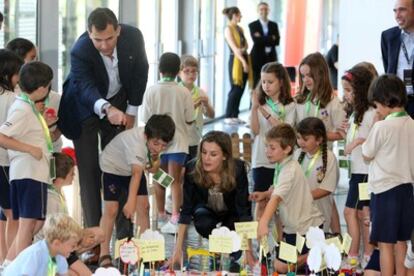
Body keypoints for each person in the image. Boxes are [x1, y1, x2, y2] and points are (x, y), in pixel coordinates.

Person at [58, 7, 149, 231]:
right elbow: (86, 88)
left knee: (119, 166)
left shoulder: (133, 37)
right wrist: (108, 109)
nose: (105, 45)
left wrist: (131, 111)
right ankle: (93, 236)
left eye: (109, 38)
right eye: (98, 40)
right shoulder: (80, 50)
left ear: (118, 30)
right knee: (89, 174)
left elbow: (141, 72)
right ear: (89, 34)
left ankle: (123, 237)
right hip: (84, 108)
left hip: (119, 100)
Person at [169, 131, 254, 271]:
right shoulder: (192, 168)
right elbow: (186, 211)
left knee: (235, 249)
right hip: (205, 211)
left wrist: (249, 251)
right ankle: (217, 246)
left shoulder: (238, 169)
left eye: (213, 154)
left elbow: (244, 211)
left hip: (231, 212)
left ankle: (226, 248)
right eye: (203, 152)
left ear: (225, 156)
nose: (206, 159)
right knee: (202, 221)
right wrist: (177, 250)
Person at [98, 114, 175, 267]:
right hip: (113, 168)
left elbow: (152, 169)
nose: (159, 148)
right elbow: (137, 174)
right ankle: (104, 254)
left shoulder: (154, 142)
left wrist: (155, 158)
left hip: (133, 169)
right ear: (146, 136)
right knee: (112, 210)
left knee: (144, 207)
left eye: (163, 146)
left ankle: (146, 252)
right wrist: (130, 201)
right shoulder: (136, 143)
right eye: (156, 144)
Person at [0, 62, 53, 261]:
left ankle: (9, 265)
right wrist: (30, 149)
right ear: (41, 89)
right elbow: (2, 136)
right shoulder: (22, 108)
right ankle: (17, 268)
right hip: (28, 173)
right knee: (27, 225)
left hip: (32, 174)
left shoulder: (28, 107)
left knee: (34, 223)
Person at [362, 74, 414, 276]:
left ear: (384, 101)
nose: (376, 110)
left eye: (376, 105)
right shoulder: (412, 123)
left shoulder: (381, 126)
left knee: (385, 244)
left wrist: (376, 122)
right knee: (402, 241)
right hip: (407, 191)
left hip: (384, 192)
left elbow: (367, 152)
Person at [256, 124, 324, 274]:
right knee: (280, 264)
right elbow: (277, 191)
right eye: (267, 146)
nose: (267, 152)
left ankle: (318, 251)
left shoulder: (289, 170)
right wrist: (265, 194)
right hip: (293, 229)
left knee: (280, 267)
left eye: (272, 148)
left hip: (306, 229)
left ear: (287, 149)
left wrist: (263, 222)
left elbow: (276, 198)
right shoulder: (283, 166)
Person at [142, 52, 194, 234]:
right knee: (176, 181)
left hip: (156, 142)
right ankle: (175, 218)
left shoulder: (151, 90)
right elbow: (190, 118)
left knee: (160, 178)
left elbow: (145, 119)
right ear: (179, 70)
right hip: (178, 142)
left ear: (159, 69)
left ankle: (161, 214)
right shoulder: (183, 91)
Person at [33, 151, 104, 275]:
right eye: (72, 174)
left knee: (99, 233)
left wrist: (81, 237)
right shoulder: (50, 199)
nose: (74, 176)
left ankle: (76, 257)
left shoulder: (58, 193)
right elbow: (54, 234)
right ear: (61, 177)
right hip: (56, 247)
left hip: (65, 243)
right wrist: (80, 239)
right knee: (84, 274)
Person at [340, 66, 376, 269]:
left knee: (350, 212)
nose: (346, 95)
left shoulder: (370, 114)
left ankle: (354, 253)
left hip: (364, 172)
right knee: (363, 214)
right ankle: (367, 255)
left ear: (360, 90)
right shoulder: (357, 113)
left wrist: (357, 141)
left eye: (349, 90)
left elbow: (373, 139)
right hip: (357, 170)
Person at [250, 62, 295, 220]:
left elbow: (286, 131)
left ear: (281, 82)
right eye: (263, 82)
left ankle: (279, 243)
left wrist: (266, 114)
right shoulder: (260, 104)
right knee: (261, 202)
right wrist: (254, 108)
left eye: (270, 82)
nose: (266, 86)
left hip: (281, 161)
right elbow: (255, 130)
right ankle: (260, 243)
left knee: (279, 203)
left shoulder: (289, 105)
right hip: (261, 159)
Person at [6, 38, 62, 152]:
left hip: (47, 153)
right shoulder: (17, 101)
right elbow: (5, 135)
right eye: (32, 58)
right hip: (23, 157)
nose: (36, 62)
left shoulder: (53, 97)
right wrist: (31, 149)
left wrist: (53, 133)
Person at [296, 117, 339, 235]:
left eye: (305, 139)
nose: (301, 142)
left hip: (319, 215)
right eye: (299, 138)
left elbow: (326, 189)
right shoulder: (296, 155)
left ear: (319, 139)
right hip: (298, 215)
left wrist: (301, 197)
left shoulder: (329, 158)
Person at [3, 213, 82, 276]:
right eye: (72, 246)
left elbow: (62, 274)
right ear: (57, 243)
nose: (74, 249)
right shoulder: (35, 253)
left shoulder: (59, 256)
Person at [0, 50, 23, 264]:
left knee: (3, 216)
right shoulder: (12, 98)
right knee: (13, 215)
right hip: (5, 162)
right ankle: (10, 263)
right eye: (17, 73)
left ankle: (3, 260)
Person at [295, 52, 346, 142]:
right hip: (299, 153)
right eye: (303, 76)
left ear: (321, 74)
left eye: (310, 75)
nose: (306, 80)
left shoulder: (334, 102)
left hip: (323, 154)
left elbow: (342, 134)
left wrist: (318, 136)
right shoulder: (298, 100)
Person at [381, 0, 414, 117]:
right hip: (397, 103)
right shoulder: (388, 36)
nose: (397, 15)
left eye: (402, 10)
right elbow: (388, 68)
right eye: (395, 11)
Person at [179, 54, 215, 160]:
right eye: (187, 71)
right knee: (178, 172)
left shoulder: (200, 92)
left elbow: (211, 115)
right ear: (179, 73)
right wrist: (194, 106)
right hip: (179, 141)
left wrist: (207, 105)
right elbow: (179, 115)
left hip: (195, 139)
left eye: (194, 71)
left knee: (192, 171)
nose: (191, 74)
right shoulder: (176, 92)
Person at [223, 6, 253, 124]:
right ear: (234, 15)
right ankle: (228, 115)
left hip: (244, 57)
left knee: (241, 88)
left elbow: (245, 45)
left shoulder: (240, 29)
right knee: (235, 88)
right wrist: (244, 62)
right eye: (239, 14)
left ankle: (235, 115)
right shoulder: (228, 29)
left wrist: (243, 50)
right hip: (236, 61)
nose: (241, 17)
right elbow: (235, 49)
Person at [248, 2, 280, 88]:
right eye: (261, 9)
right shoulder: (253, 25)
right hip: (257, 59)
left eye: (265, 9)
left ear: (268, 11)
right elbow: (256, 41)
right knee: (256, 84)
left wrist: (262, 38)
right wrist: (270, 38)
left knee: (271, 83)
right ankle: (254, 102)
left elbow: (277, 41)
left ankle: (268, 102)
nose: (264, 11)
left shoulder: (274, 25)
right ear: (258, 11)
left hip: (271, 58)